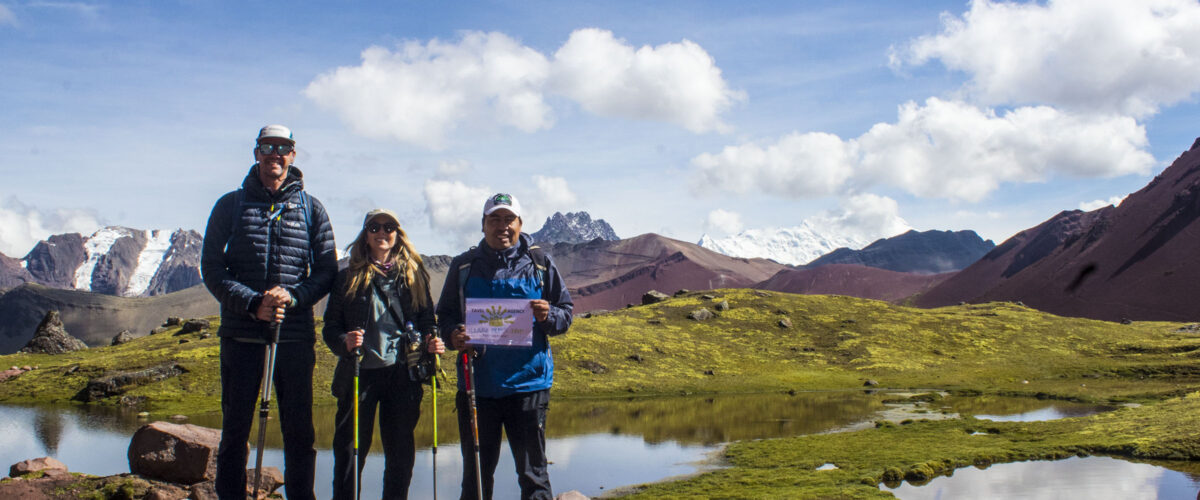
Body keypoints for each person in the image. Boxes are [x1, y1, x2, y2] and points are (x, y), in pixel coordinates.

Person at [200, 124, 337, 500]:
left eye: (282, 147)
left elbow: (326, 271)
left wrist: (292, 297)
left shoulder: (311, 209)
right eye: (267, 147)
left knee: (300, 433)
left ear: (293, 155)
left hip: (293, 337)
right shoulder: (230, 205)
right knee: (234, 432)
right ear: (256, 152)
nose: (274, 154)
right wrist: (251, 303)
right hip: (241, 335)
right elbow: (211, 267)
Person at [436, 193, 573, 500]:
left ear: (520, 224)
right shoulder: (463, 266)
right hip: (477, 389)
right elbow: (444, 316)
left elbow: (566, 314)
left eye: (509, 219)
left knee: (534, 476)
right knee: (476, 477)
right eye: (494, 219)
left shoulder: (540, 264)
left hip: (529, 388)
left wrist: (549, 315)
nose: (502, 226)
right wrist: (453, 335)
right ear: (483, 224)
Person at [322, 209, 445, 500]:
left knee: (401, 454)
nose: (382, 232)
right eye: (374, 227)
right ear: (365, 234)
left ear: (397, 234)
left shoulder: (414, 275)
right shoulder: (347, 277)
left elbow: (427, 319)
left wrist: (432, 340)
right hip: (359, 373)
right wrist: (344, 341)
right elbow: (330, 327)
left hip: (403, 374)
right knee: (350, 453)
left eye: (389, 227)